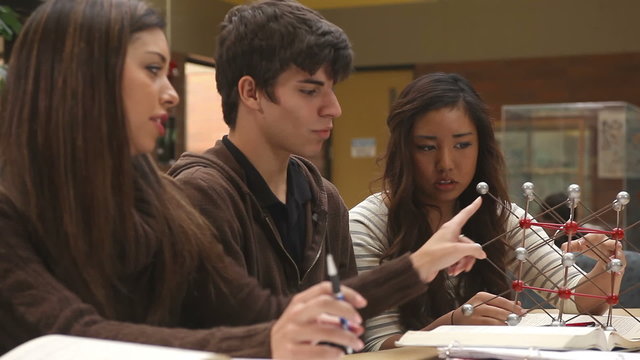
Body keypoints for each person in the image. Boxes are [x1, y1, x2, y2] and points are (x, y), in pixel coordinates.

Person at [0, 1, 487, 358]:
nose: (169, 94)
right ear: (82, 78)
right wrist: (269, 339)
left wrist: (419, 266)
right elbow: (71, 337)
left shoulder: (147, 190)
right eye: (151, 70)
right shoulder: (195, 189)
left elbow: (257, 308)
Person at [169, 0, 486, 322]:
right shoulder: (201, 195)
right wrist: (416, 267)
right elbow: (245, 327)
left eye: (332, 90)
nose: (333, 108)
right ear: (251, 92)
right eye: (309, 91)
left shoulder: (322, 197)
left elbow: (343, 325)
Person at [349, 72, 626, 351]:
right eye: (427, 147)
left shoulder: (500, 214)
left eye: (462, 144)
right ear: (403, 151)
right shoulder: (367, 224)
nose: (445, 163)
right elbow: (376, 347)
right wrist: (452, 326)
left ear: (481, 147)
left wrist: (607, 269)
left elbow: (573, 297)